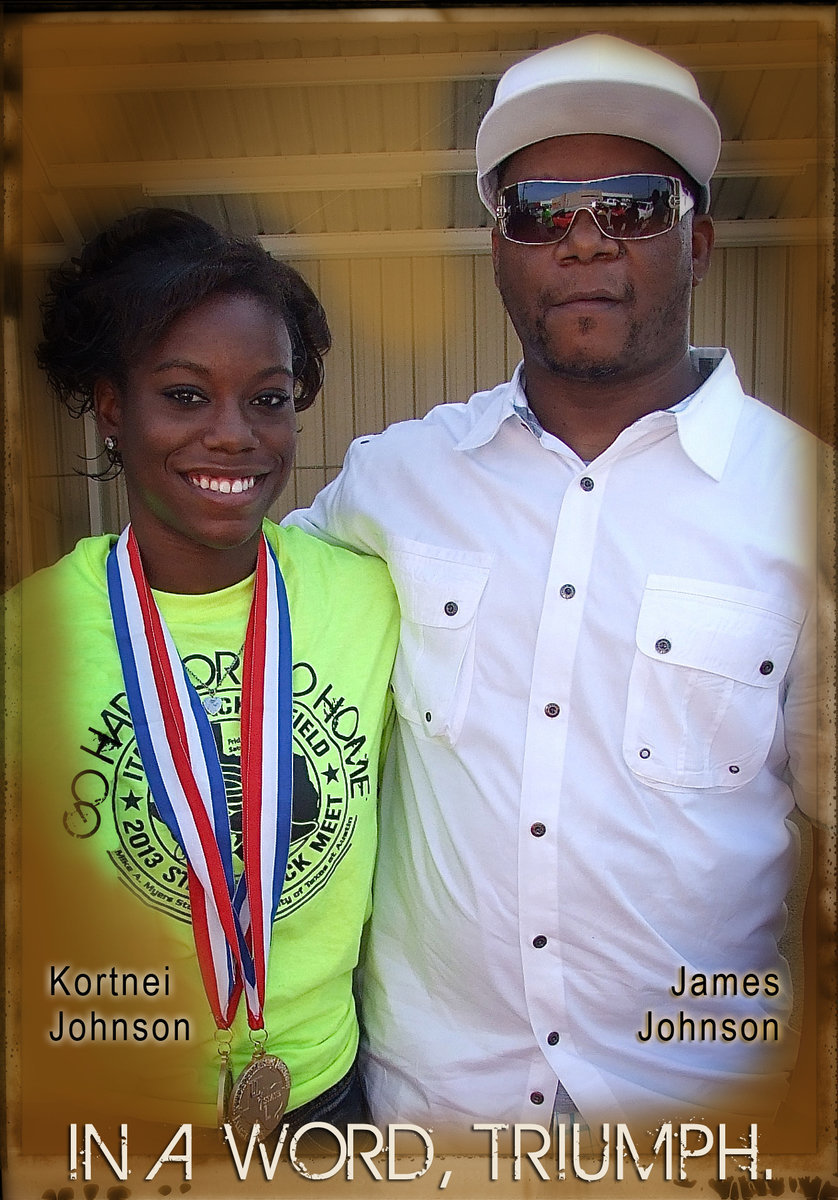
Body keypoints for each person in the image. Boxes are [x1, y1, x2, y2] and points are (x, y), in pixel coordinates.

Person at [285, 34, 825, 1135]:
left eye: (631, 206)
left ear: (700, 242)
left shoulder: (806, 504)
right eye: (539, 210)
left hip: (696, 1123)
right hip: (436, 1120)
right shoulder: (393, 484)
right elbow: (228, 616)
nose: (584, 239)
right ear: (499, 251)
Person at [11, 207, 398, 1152]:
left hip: (325, 1099)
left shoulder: (371, 599)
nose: (234, 436)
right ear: (111, 407)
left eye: (268, 399)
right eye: (185, 396)